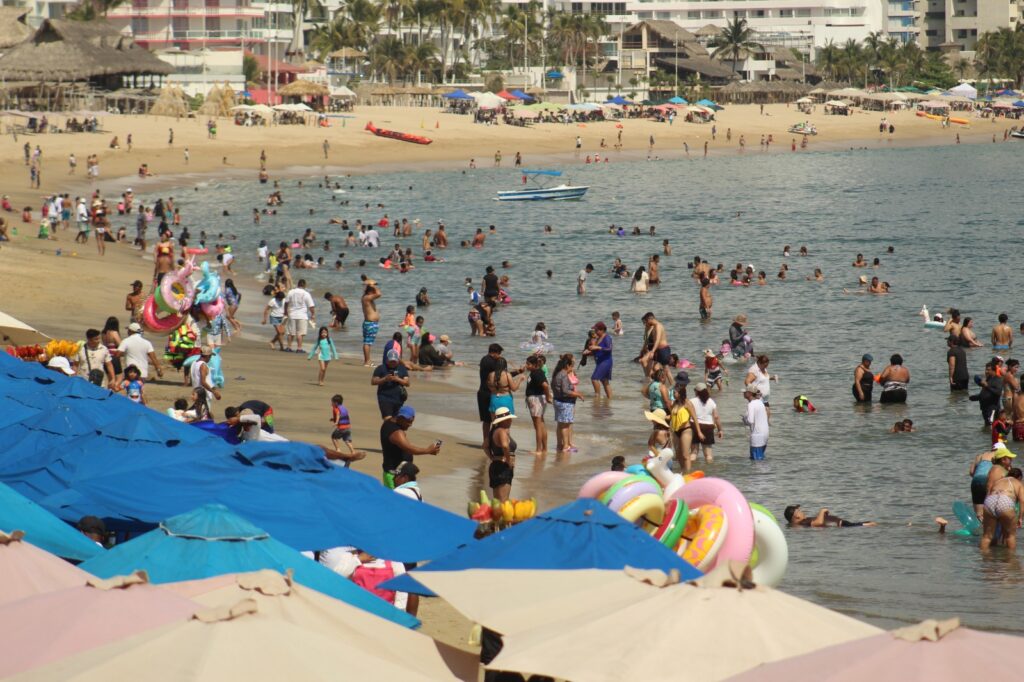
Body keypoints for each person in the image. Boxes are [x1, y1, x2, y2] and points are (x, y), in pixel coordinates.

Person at [379, 406, 440, 488]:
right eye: (408, 422)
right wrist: (428, 450)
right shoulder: (397, 433)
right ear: (401, 418)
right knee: (397, 497)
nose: (410, 424)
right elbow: (410, 449)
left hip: (392, 473)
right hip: (395, 477)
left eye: (411, 421)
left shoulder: (388, 423)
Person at [979, 463, 1024, 552]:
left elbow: (989, 494)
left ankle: (983, 558)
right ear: (1019, 478)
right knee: (1010, 536)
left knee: (987, 536)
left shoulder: (998, 481)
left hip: (990, 501)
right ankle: (1011, 558)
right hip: (1005, 501)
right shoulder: (1018, 483)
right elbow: (1022, 501)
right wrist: (1020, 518)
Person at [552, 354, 585, 453]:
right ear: (567, 365)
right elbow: (565, 390)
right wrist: (578, 394)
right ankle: (566, 446)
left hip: (558, 400)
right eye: (571, 366)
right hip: (565, 402)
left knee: (560, 424)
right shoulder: (563, 375)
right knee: (565, 425)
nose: (572, 368)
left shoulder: (557, 373)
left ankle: (559, 445)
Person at [477, 343, 504, 454]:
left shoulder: (485, 360)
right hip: (488, 393)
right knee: (492, 419)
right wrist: (516, 372)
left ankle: (487, 441)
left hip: (484, 392)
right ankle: (490, 441)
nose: (500, 356)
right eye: (499, 353)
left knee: (488, 420)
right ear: (495, 352)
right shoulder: (490, 362)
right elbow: (501, 375)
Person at [524, 354, 553, 454]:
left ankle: (539, 449)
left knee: (538, 425)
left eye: (528, 364)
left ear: (534, 365)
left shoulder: (536, 373)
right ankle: (544, 449)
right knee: (541, 424)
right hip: (538, 399)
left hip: (536, 399)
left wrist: (548, 397)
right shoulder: (536, 372)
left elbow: (545, 385)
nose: (526, 365)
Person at [488, 406, 517, 502]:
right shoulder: (501, 431)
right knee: (503, 502)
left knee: (497, 502)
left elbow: (485, 446)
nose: (511, 421)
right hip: (503, 468)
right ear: (505, 420)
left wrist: (492, 457)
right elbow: (505, 446)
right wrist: (508, 460)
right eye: (509, 419)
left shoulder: (493, 431)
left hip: (495, 466)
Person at [372, 349, 410, 418]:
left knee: (396, 419)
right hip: (384, 398)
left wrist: (397, 379)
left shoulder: (402, 368)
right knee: (388, 419)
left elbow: (407, 383)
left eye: (394, 361)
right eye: (391, 361)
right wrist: (385, 379)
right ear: (387, 360)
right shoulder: (380, 368)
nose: (393, 363)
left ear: (398, 360)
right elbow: (373, 381)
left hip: (399, 399)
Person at [970, 443, 1004, 520]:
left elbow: (971, 472)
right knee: (990, 508)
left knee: (979, 512)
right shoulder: (999, 456)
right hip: (988, 480)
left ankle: (980, 522)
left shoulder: (980, 456)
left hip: (976, 480)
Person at [692, 382, 722, 463]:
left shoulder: (692, 401)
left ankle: (690, 469)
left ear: (696, 391)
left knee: (694, 453)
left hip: (694, 426)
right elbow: (716, 417)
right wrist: (720, 430)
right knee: (708, 455)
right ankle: (709, 469)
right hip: (708, 427)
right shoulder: (711, 401)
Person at [283, 279, 316, 353]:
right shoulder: (306, 294)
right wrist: (313, 315)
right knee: (300, 333)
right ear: (304, 285)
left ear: (298, 284)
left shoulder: (291, 292)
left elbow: (286, 302)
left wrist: (285, 312)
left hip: (292, 314)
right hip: (302, 316)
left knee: (291, 333)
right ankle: (299, 348)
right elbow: (311, 306)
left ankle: (289, 347)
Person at [586, 321, 613, 398]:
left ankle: (597, 396)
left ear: (602, 330)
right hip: (600, 361)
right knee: (604, 381)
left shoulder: (607, 337)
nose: (595, 332)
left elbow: (609, 349)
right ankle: (610, 399)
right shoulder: (598, 339)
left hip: (606, 361)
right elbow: (597, 351)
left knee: (594, 379)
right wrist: (589, 352)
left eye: (596, 330)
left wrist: (598, 347)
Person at [784, 505, 877, 527]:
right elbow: (819, 523)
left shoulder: (804, 521)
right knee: (861, 525)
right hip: (840, 525)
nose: (802, 512)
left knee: (857, 524)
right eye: (799, 511)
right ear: (796, 516)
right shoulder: (802, 523)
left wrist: (823, 515)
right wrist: (822, 511)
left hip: (840, 524)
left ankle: (869, 524)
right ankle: (869, 524)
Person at [742, 385, 769, 460]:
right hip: (765, 433)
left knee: (756, 461)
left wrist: (744, 419)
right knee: (760, 458)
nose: (743, 393)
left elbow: (750, 421)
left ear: (750, 393)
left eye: (745, 392)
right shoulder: (760, 402)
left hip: (757, 435)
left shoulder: (751, 404)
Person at [329, 394, 357, 458]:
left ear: (336, 403)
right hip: (347, 427)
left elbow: (338, 414)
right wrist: (333, 419)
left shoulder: (336, 408)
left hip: (341, 427)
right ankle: (353, 452)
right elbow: (346, 416)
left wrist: (336, 422)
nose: (331, 403)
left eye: (332, 402)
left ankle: (338, 450)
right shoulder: (344, 408)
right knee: (347, 440)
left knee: (334, 437)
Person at [361, 280, 381, 366]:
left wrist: (371, 284)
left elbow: (377, 294)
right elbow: (379, 294)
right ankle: (367, 361)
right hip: (370, 324)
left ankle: (368, 360)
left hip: (370, 323)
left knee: (368, 343)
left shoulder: (366, 298)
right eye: (373, 291)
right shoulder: (367, 298)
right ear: (370, 292)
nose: (374, 293)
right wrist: (373, 285)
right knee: (367, 343)